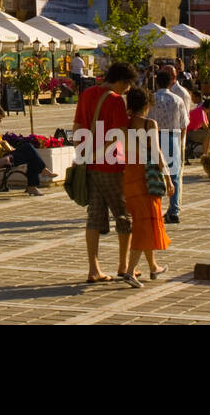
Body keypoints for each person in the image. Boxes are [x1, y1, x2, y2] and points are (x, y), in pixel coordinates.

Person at [73, 62, 138, 284]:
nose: (128, 90)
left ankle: (94, 269)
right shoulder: (115, 100)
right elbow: (119, 133)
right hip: (111, 165)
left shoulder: (87, 93)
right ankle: (124, 265)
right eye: (128, 85)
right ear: (122, 81)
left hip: (89, 165)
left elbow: (77, 127)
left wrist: (84, 153)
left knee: (94, 215)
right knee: (123, 215)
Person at [121, 87, 172, 287]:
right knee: (144, 224)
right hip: (146, 176)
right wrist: (168, 177)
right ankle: (130, 271)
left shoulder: (124, 125)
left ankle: (153, 266)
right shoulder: (149, 124)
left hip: (129, 175)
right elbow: (157, 152)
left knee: (145, 220)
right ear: (146, 105)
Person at [0, 104, 50, 196]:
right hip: (0, 159)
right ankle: (36, 180)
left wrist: (7, 146)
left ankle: (34, 185)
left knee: (30, 154)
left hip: (8, 154)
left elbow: (1, 145)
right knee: (29, 150)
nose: (0, 121)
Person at [149, 68, 189, 225]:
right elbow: (184, 123)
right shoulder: (177, 100)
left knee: (154, 173)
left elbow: (147, 119)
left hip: (155, 137)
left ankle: (154, 208)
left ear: (157, 82)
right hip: (173, 136)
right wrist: (180, 140)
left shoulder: (152, 99)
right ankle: (174, 210)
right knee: (174, 175)